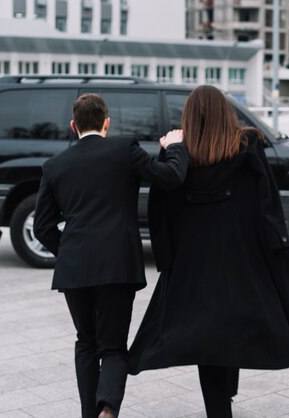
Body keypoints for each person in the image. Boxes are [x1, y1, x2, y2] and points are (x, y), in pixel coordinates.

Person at [128, 85, 289, 418]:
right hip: (241, 257)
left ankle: (218, 408)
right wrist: (275, 247)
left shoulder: (181, 153)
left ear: (189, 117)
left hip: (195, 262)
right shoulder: (248, 145)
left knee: (207, 338)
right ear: (226, 112)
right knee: (230, 328)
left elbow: (160, 208)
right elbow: (268, 201)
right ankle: (227, 394)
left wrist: (167, 258)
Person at [33, 93, 189, 418]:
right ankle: (108, 408)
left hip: (74, 269)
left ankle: (89, 413)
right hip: (119, 264)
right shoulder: (124, 149)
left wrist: (69, 252)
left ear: (73, 126)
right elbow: (170, 177)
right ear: (107, 122)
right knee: (114, 346)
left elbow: (43, 227)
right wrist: (175, 147)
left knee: (85, 342)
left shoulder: (54, 165)